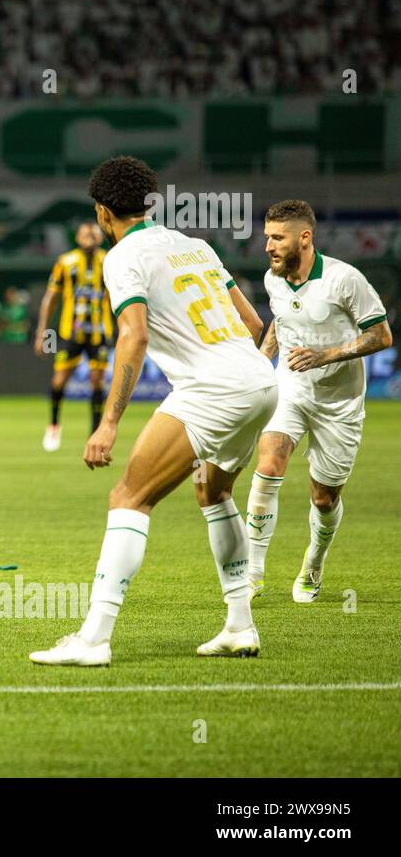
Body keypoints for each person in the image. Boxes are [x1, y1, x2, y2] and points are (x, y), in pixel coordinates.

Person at [30, 156, 274, 666]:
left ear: (102, 212)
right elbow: (254, 323)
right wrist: (251, 378)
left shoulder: (120, 258)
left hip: (212, 388)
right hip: (257, 378)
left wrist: (109, 422)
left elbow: (134, 335)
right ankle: (239, 625)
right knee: (213, 489)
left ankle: (93, 639)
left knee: (129, 496)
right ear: (150, 202)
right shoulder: (196, 246)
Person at [244, 200, 392, 601]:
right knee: (270, 458)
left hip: (340, 402)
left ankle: (314, 563)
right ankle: (252, 570)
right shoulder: (273, 279)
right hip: (292, 387)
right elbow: (280, 320)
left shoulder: (345, 280)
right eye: (267, 237)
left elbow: (381, 336)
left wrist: (325, 356)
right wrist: (261, 362)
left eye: (277, 237)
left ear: (304, 238)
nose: (268, 246)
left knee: (324, 498)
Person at [34, 221, 114, 452]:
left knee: (97, 382)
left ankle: (95, 433)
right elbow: (50, 298)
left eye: (93, 233)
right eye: (84, 233)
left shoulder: (109, 261)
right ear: (77, 238)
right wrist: (42, 334)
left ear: (100, 237)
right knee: (59, 381)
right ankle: (54, 424)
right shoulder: (65, 262)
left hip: (100, 332)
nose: (89, 236)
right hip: (71, 333)